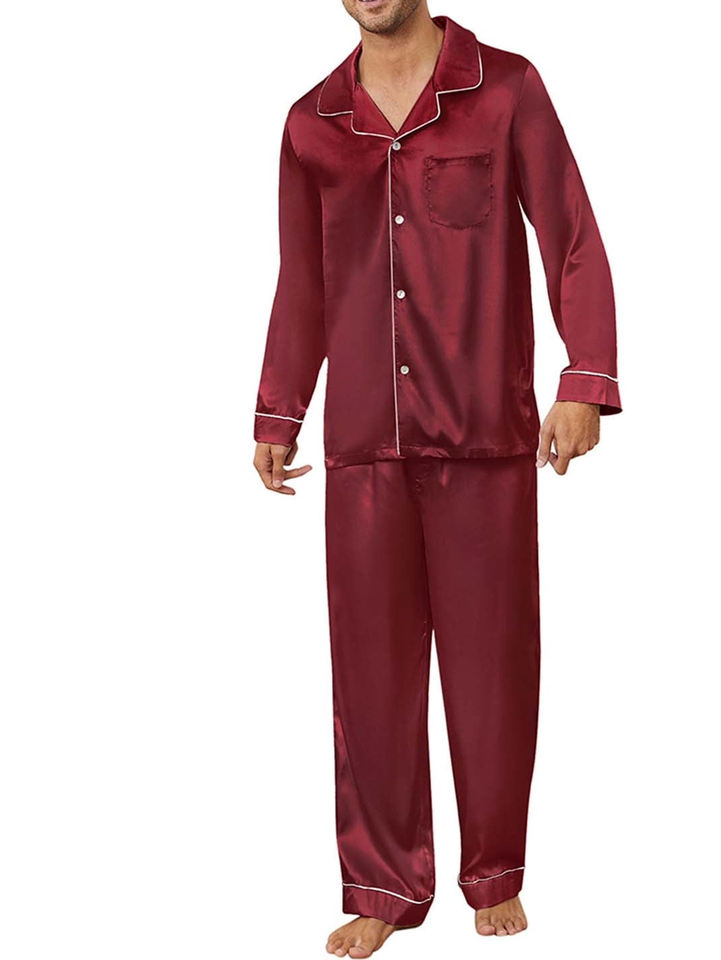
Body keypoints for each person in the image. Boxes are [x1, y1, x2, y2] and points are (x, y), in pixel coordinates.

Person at [252, 2, 621, 956]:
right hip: (365, 444)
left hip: (484, 436)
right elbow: (302, 279)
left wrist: (584, 380)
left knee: (493, 670)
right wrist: (279, 410)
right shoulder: (311, 123)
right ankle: (383, 884)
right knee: (368, 676)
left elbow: (572, 237)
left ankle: (494, 872)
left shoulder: (506, 89)